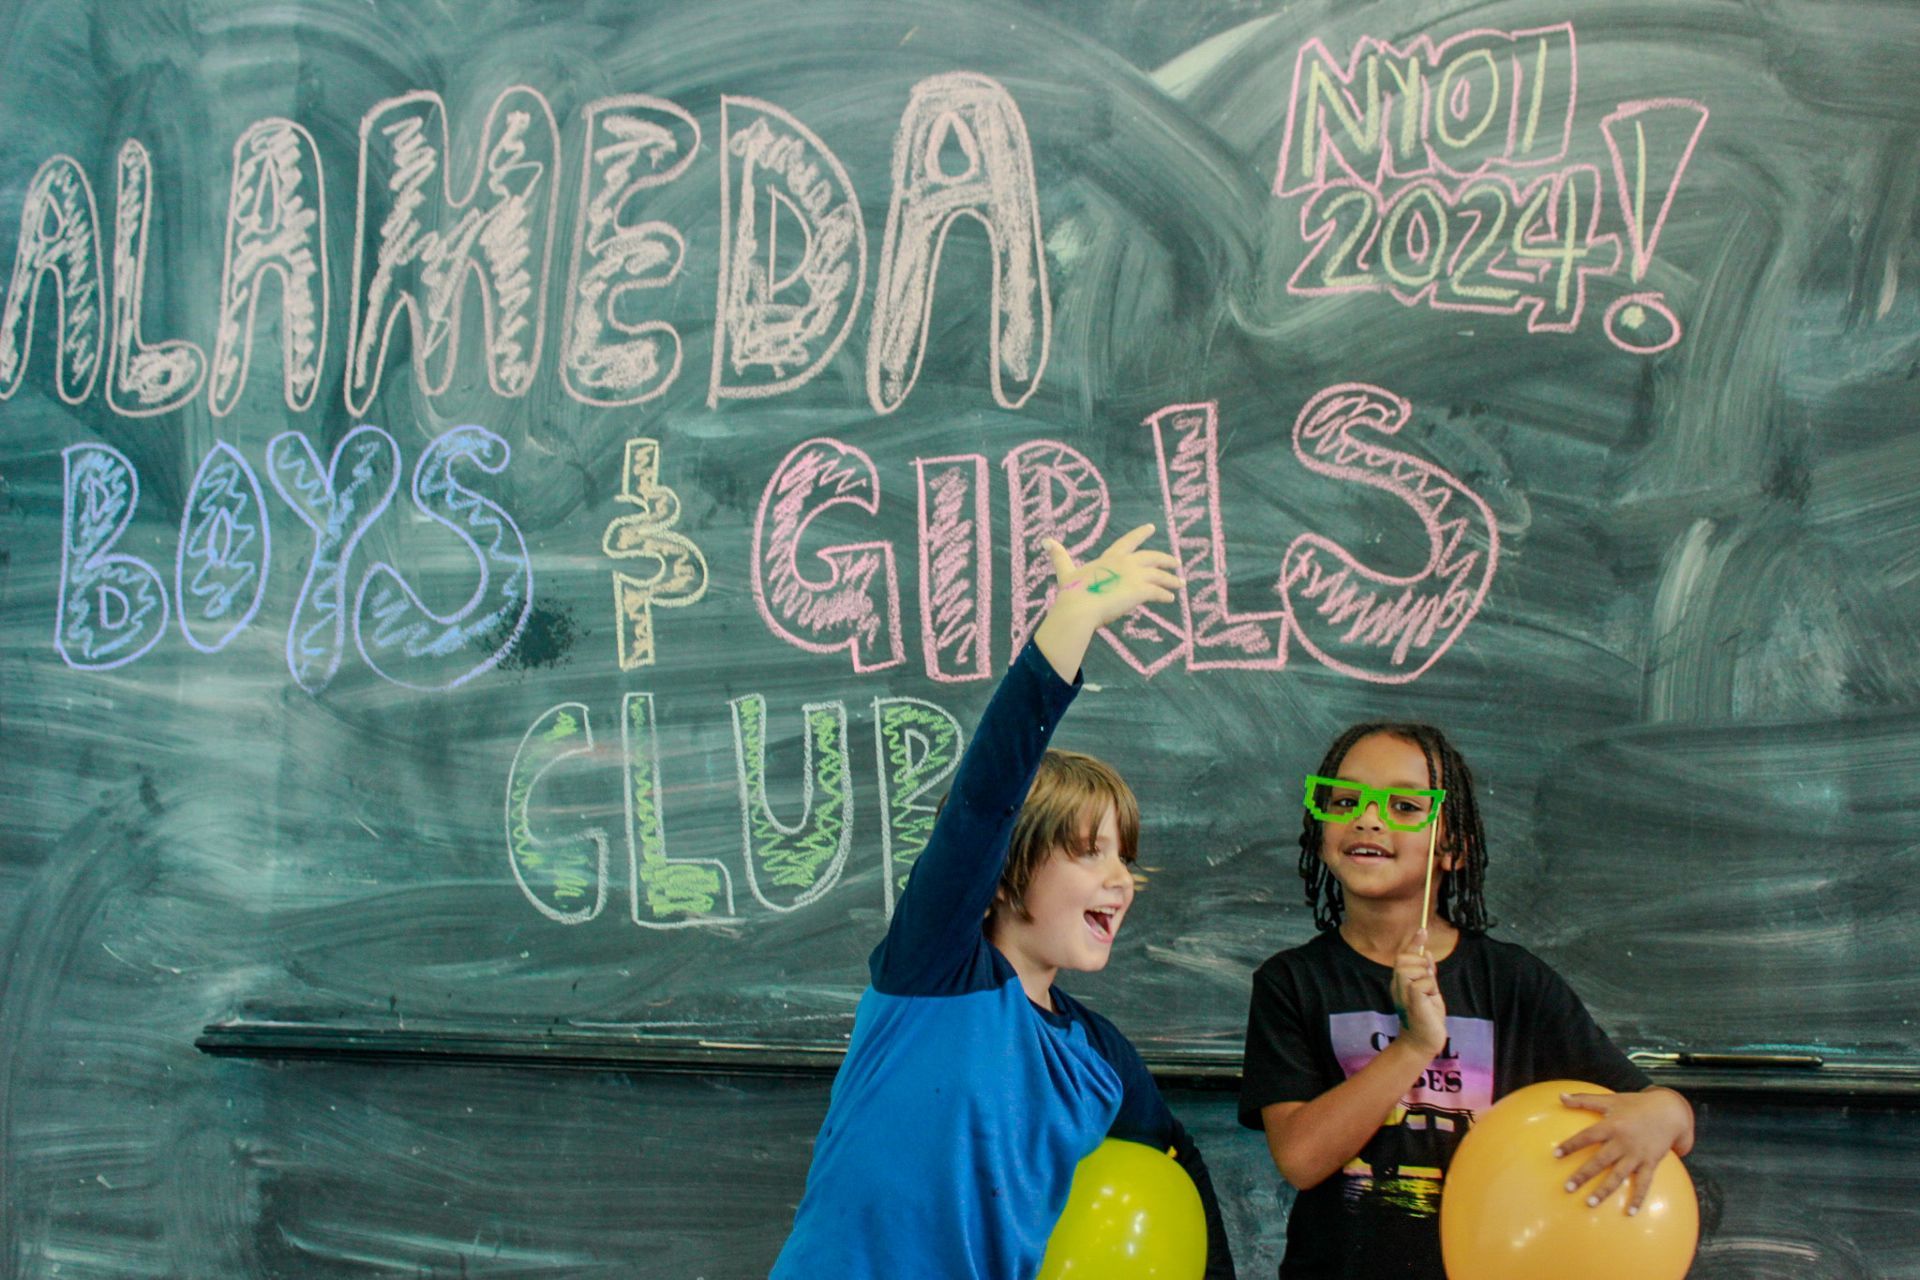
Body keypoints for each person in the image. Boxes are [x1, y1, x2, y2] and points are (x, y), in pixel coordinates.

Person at [771, 525, 1235, 1280]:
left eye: (1127, 856)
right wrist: (1072, 622)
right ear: (1009, 869)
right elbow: (985, 800)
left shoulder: (1099, 1056)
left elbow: (1177, 1159)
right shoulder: (935, 968)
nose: (1121, 878)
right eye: (1089, 852)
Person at [1238, 722, 1694, 1279]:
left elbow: (1661, 1112)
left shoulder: (1514, 983)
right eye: (1345, 799)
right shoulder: (1291, 982)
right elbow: (1301, 1160)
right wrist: (1414, 1044)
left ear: (1453, 848)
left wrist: (1668, 1110)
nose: (1369, 817)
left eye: (1405, 805)